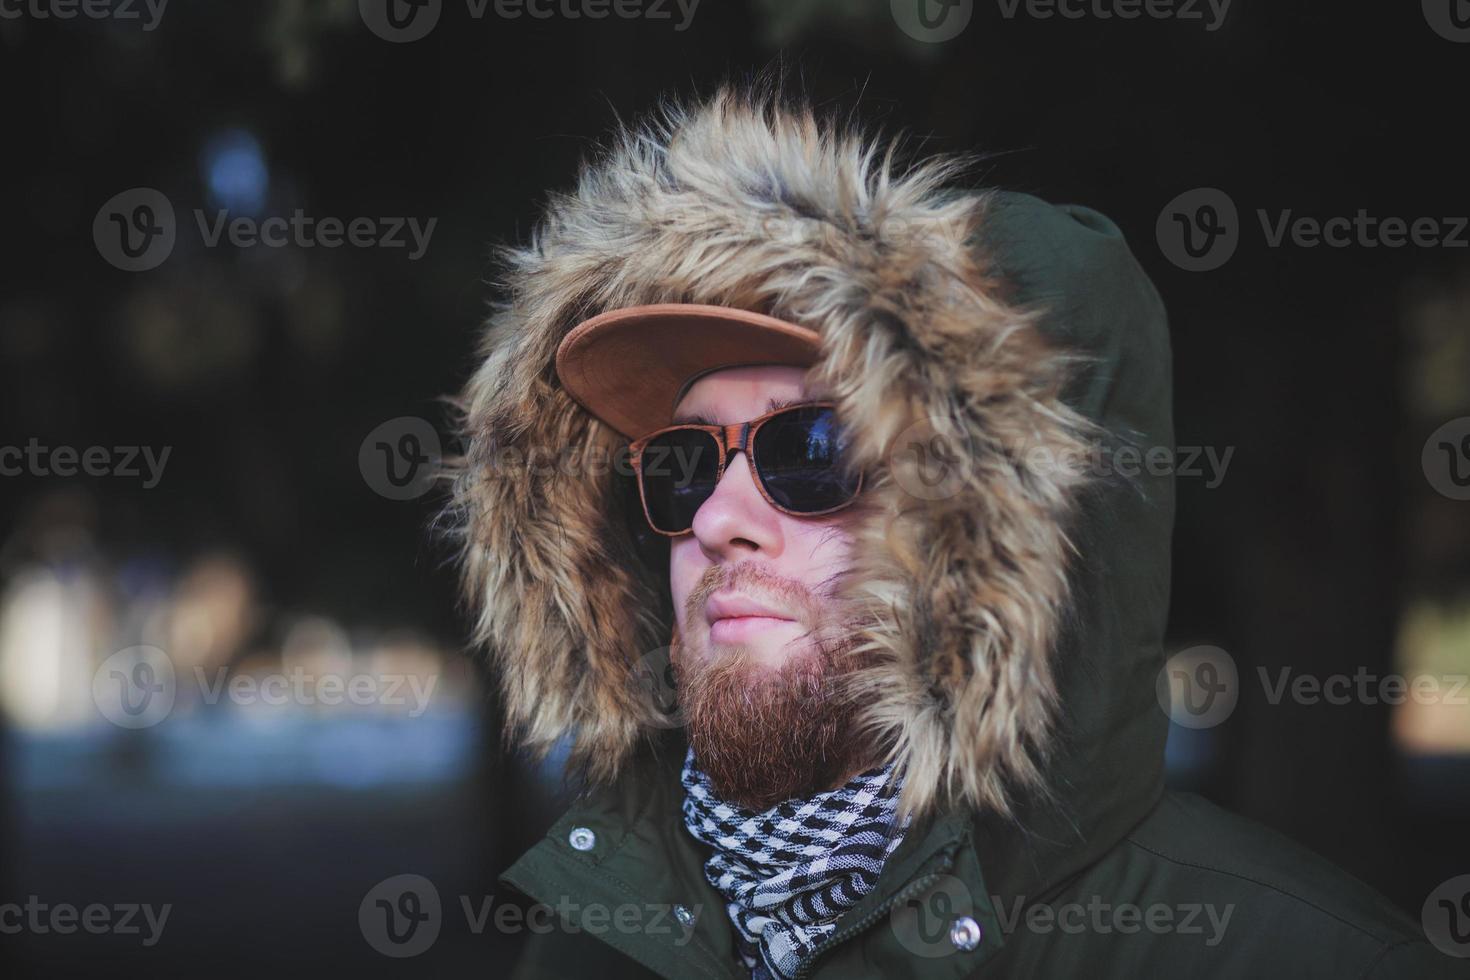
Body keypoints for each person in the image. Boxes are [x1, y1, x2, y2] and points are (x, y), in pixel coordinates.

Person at [446, 83, 1461, 978]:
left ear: (1001, 529)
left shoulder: (1298, 959)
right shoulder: (606, 942)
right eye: (683, 459)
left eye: (814, 449)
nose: (715, 517)